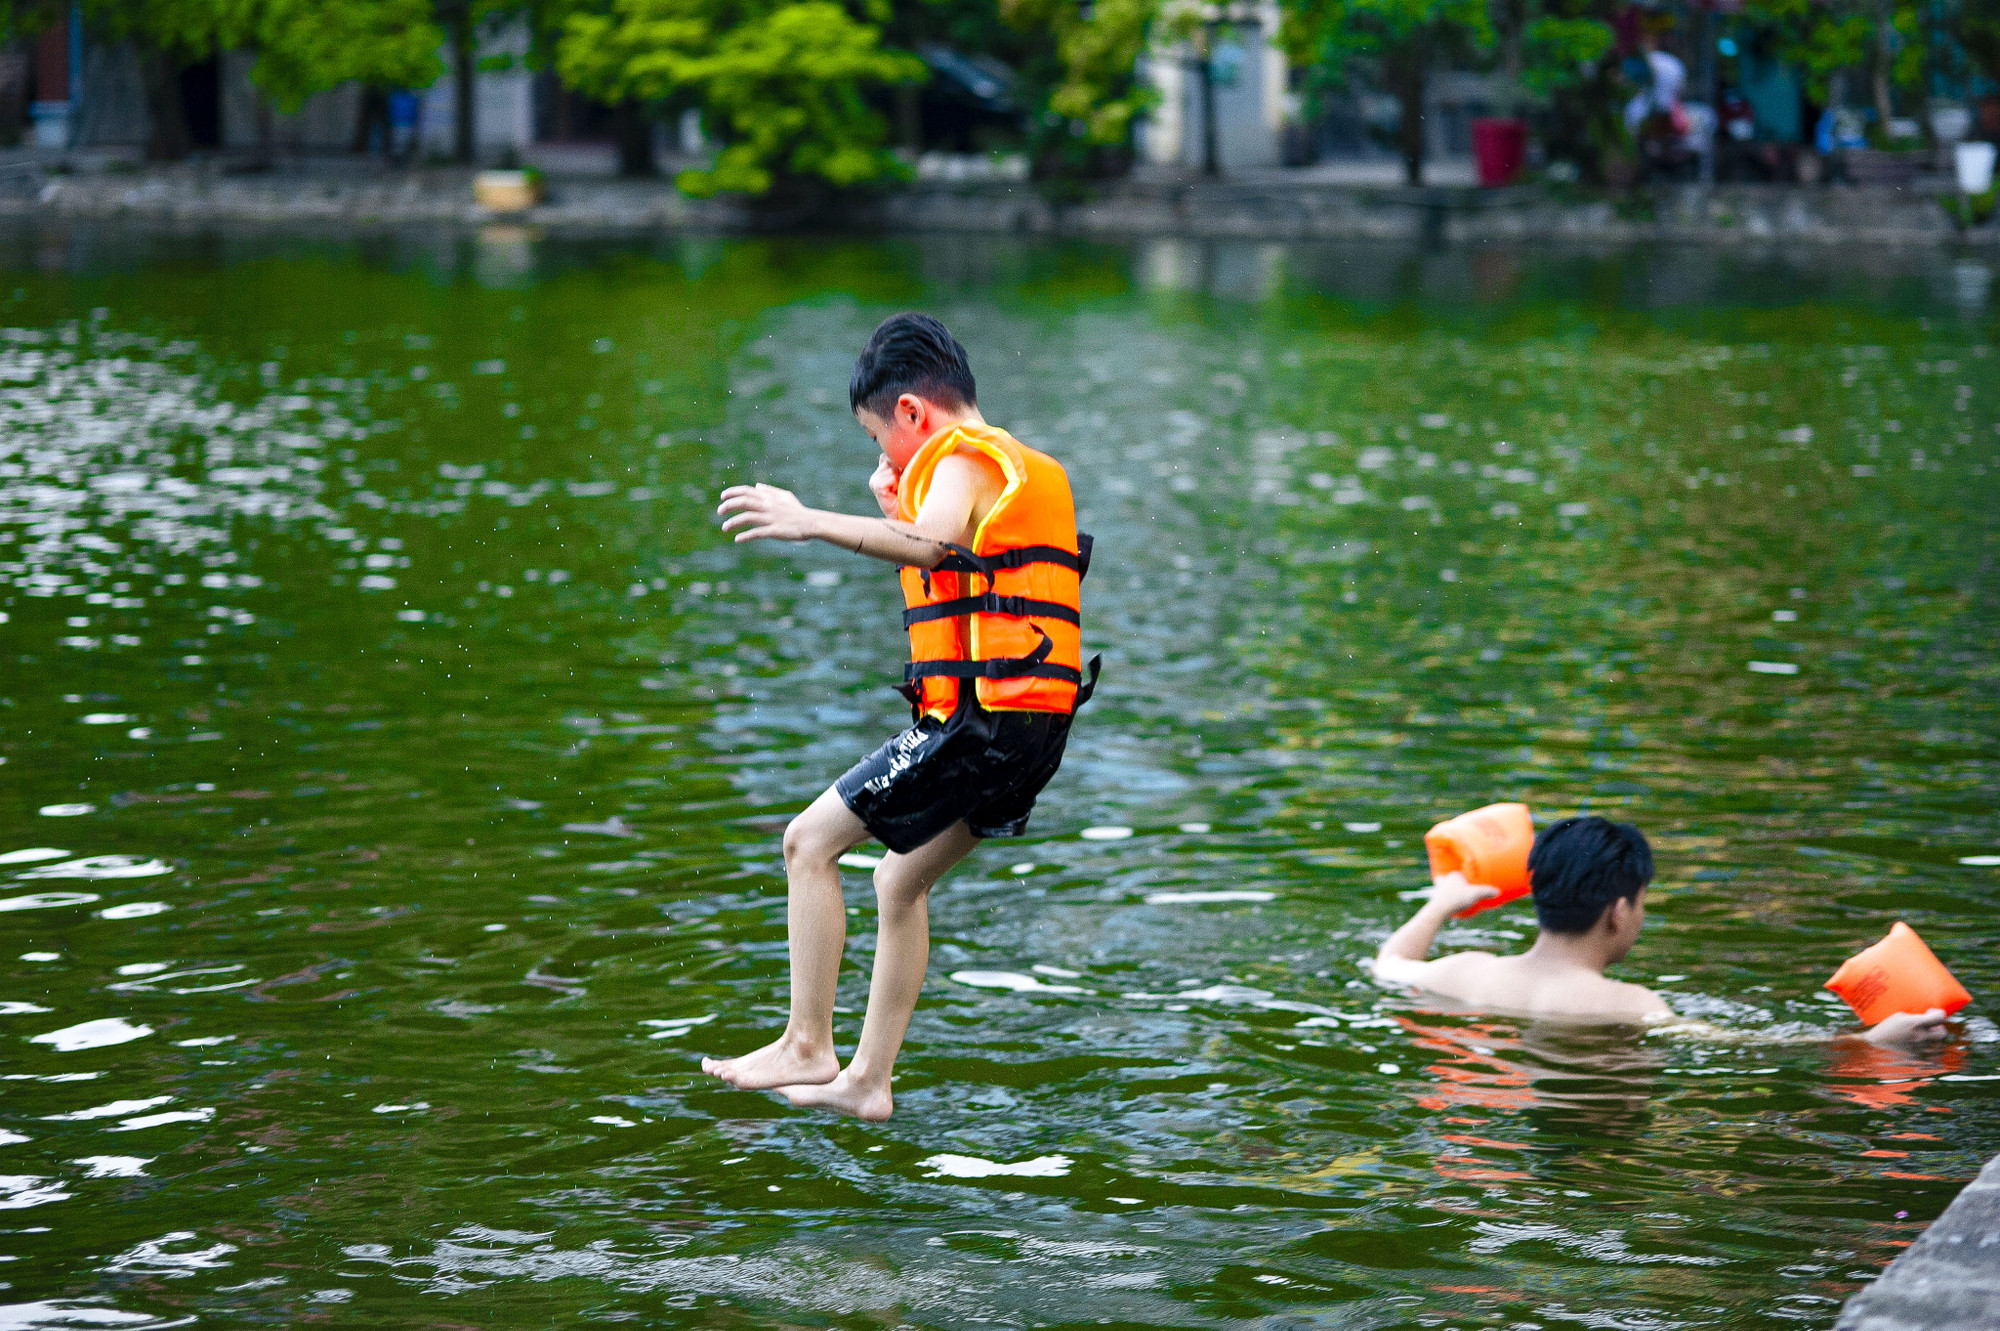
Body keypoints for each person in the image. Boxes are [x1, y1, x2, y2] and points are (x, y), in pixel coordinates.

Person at [700, 313, 1097, 1121]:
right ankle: (869, 1080)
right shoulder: (1022, 464)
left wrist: (812, 520)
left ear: (915, 413)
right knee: (897, 878)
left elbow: (929, 545)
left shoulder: (959, 456)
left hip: (981, 718)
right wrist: (896, 493)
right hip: (1036, 728)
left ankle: (808, 1041)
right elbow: (959, 566)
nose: (884, 460)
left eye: (882, 441)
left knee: (807, 843)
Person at [1373, 814, 1950, 1044]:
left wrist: (1441, 903)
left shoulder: (1467, 970)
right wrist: (1870, 1043)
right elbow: (1745, 1046)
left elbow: (1388, 967)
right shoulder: (1628, 1004)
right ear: (1619, 911)